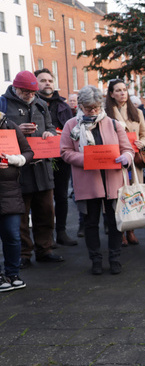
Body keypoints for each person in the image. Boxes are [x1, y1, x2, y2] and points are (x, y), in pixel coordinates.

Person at [60, 86, 135, 275]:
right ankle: (96, 259)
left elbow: (128, 149)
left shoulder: (113, 123)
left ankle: (115, 258)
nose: (92, 111)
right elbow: (65, 152)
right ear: (81, 106)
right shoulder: (71, 125)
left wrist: (126, 157)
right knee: (91, 222)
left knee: (115, 221)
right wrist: (85, 159)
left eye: (95, 108)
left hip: (112, 180)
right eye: (88, 108)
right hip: (88, 181)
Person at [2, 70, 63, 269]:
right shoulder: (3, 105)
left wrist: (49, 133)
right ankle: (23, 254)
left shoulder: (40, 104)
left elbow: (52, 127)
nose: (30, 95)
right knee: (20, 214)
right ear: (16, 88)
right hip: (17, 169)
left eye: (32, 92)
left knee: (46, 211)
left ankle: (45, 249)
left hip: (42, 167)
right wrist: (18, 130)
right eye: (26, 92)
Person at [106, 78, 145, 245]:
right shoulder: (106, 113)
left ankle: (132, 229)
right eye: (118, 90)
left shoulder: (137, 112)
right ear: (111, 94)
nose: (122, 93)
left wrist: (143, 144)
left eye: (124, 90)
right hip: (115, 159)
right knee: (118, 196)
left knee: (133, 194)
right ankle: (120, 231)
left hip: (133, 161)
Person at [35, 68, 76, 247]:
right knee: (42, 198)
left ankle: (61, 231)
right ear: (35, 83)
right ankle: (45, 237)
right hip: (38, 158)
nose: (47, 83)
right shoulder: (32, 104)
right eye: (43, 80)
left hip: (60, 158)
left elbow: (72, 131)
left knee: (60, 195)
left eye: (50, 80)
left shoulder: (63, 106)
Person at [0, 113, 34, 292]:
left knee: (12, 235)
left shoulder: (10, 126)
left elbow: (28, 152)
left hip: (9, 191)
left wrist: (15, 159)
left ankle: (13, 273)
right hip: (8, 191)